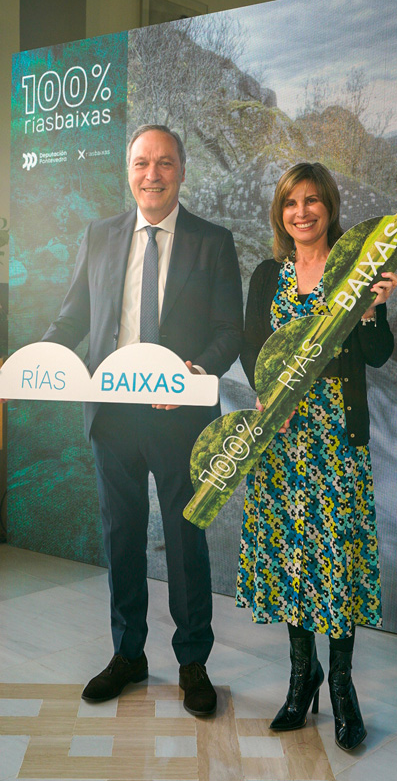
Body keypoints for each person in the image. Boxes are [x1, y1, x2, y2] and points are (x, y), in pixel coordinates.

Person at [42, 124, 243, 715]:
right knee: (122, 535)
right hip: (112, 416)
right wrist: (36, 360)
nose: (152, 175)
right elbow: (73, 316)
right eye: (141, 163)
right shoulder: (100, 235)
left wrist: (195, 370)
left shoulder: (212, 241)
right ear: (128, 171)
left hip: (179, 416)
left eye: (164, 163)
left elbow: (229, 330)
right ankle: (128, 655)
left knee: (185, 539)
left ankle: (193, 662)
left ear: (181, 170)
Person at [236, 162, 397, 749]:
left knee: (337, 559)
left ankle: (342, 686)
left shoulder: (358, 273)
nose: (301, 212)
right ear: (280, 213)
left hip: (336, 438)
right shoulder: (267, 275)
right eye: (290, 202)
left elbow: (377, 354)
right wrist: (267, 393)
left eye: (311, 201)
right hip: (284, 438)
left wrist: (373, 307)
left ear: (329, 207)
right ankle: (301, 676)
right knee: (292, 557)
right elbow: (250, 348)